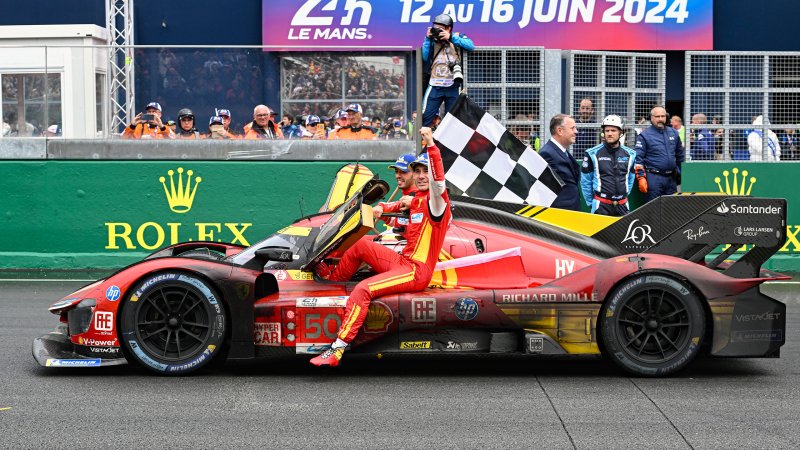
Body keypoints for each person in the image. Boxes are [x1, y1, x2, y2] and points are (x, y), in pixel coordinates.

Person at [310, 127, 451, 367]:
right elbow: (396, 206)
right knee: (361, 245)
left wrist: (431, 145)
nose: (419, 175)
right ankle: (334, 281)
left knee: (363, 290)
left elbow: (438, 183)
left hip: (416, 272)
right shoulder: (415, 200)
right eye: (416, 171)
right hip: (403, 263)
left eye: (424, 171)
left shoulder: (437, 202)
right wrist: (381, 210)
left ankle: (338, 349)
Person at [421, 13, 474, 127]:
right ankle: (427, 143)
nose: (437, 30)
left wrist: (450, 37)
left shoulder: (457, 36)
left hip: (453, 86)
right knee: (426, 117)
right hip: (435, 85)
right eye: (435, 27)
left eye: (440, 28)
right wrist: (427, 38)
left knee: (453, 120)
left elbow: (470, 45)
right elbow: (425, 56)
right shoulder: (432, 40)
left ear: (448, 28)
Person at [580, 115, 637, 216]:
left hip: (623, 205)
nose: (610, 134)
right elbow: (585, 181)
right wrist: (591, 203)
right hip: (600, 206)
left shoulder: (631, 154)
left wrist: (622, 196)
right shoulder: (592, 153)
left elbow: (630, 179)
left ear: (621, 132)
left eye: (613, 130)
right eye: (607, 131)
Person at [634, 106, 684, 203]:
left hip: (671, 179)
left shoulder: (673, 133)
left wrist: (683, 173)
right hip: (653, 178)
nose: (660, 119)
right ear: (651, 118)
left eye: (663, 116)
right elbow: (638, 159)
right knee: (653, 210)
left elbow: (680, 155)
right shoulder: (644, 135)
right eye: (657, 116)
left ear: (666, 117)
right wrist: (641, 177)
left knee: (671, 209)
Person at [539, 114, 582, 211]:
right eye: (572, 128)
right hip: (560, 213)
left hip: (570, 211)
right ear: (559, 131)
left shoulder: (562, 152)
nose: (576, 132)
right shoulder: (547, 153)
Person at [373, 153, 418, 235]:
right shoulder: (407, 196)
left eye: (403, 172)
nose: (397, 176)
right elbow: (400, 222)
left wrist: (382, 206)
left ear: (415, 174)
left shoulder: (420, 196)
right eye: (396, 171)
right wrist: (383, 214)